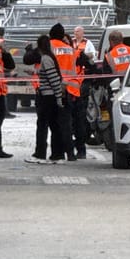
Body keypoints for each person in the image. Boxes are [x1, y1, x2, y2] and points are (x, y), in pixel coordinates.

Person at [24, 34, 70, 164]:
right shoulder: (49, 57)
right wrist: (34, 73)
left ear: (39, 47)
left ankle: (41, 154)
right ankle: (57, 155)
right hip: (50, 96)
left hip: (47, 97)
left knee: (43, 125)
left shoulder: (45, 58)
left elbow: (53, 79)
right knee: (54, 126)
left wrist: (58, 97)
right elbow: (48, 73)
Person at [49, 23, 80, 160]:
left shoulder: (49, 47)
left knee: (54, 124)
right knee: (66, 124)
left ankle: (57, 153)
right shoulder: (70, 49)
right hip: (68, 89)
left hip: (52, 89)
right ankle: (70, 153)